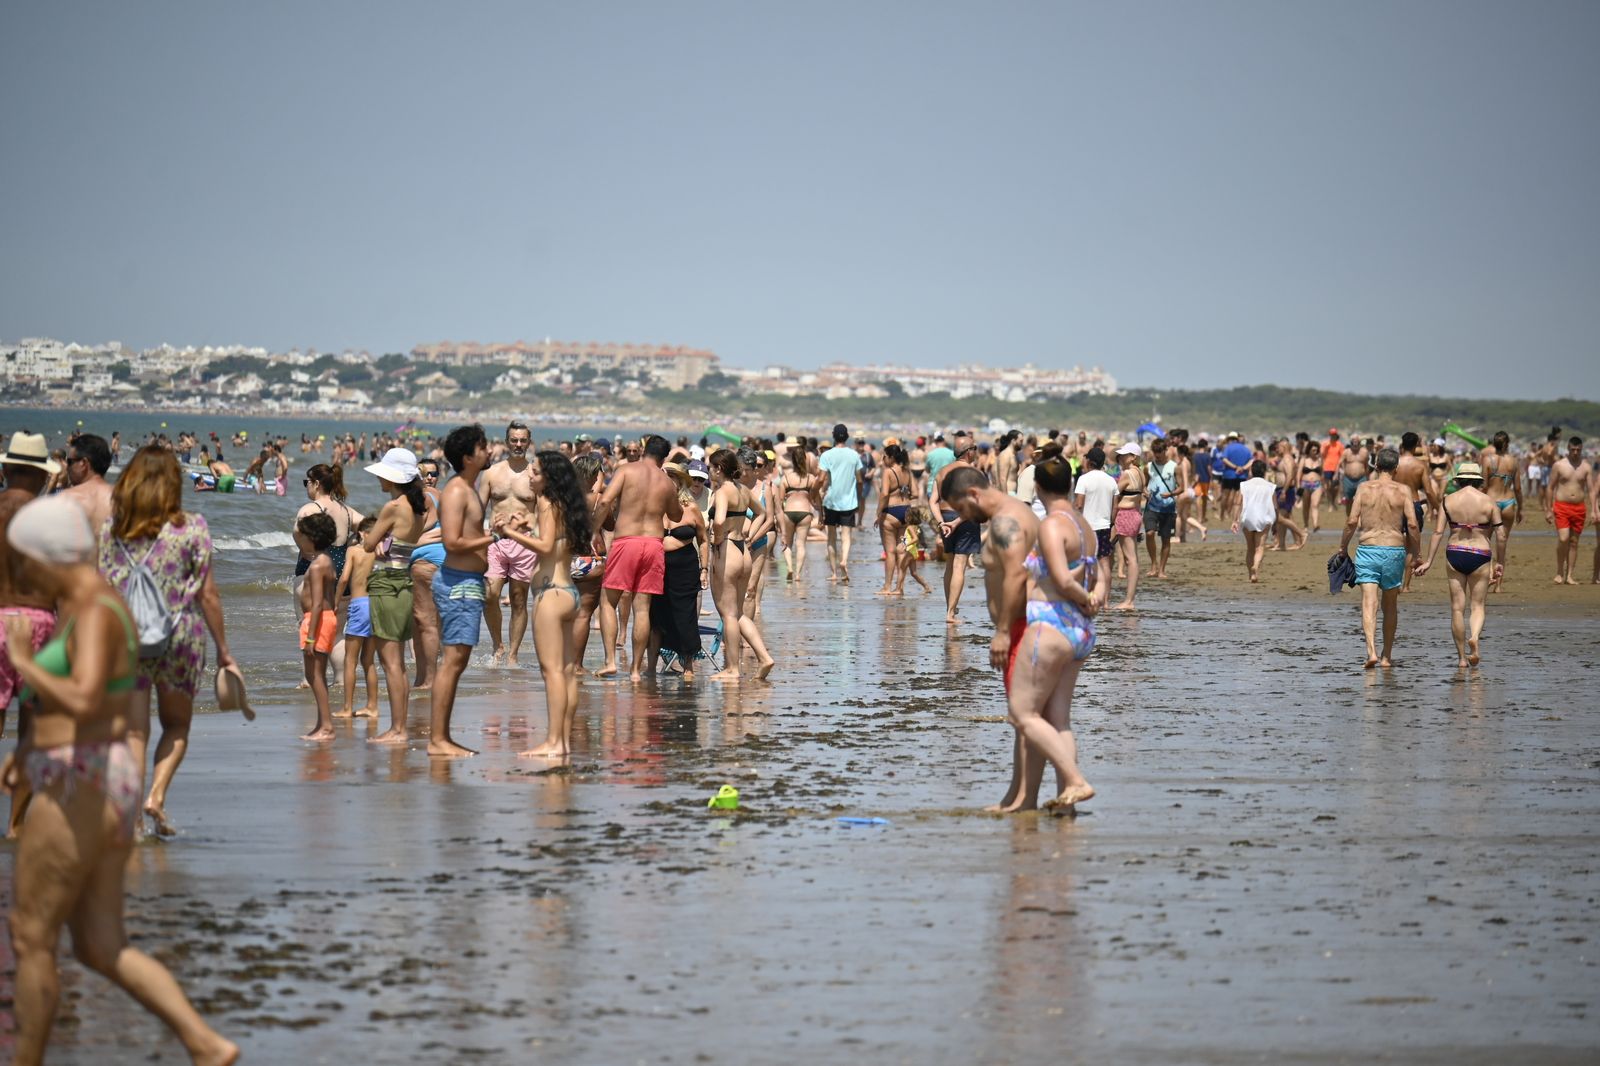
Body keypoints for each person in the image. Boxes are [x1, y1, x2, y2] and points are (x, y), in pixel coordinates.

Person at [4, 496, 238, 1066]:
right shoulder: (89, 605)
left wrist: (24, 661)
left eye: (21, 559)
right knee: (99, 944)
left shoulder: (96, 608)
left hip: (80, 781)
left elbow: (85, 697)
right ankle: (205, 1044)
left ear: (45, 555)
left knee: (31, 934)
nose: (20, 574)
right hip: (94, 775)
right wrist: (26, 751)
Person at [99, 446, 234, 837]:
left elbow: (99, 590)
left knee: (133, 733)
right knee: (176, 726)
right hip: (180, 637)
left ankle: (133, 819)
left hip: (127, 639)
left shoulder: (111, 530)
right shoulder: (191, 528)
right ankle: (156, 796)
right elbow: (208, 595)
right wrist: (224, 650)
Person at [942, 463, 1093, 813]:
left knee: (1025, 716)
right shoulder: (1016, 512)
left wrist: (1002, 632)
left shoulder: (1005, 522)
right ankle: (1024, 798)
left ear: (973, 494)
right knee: (1040, 718)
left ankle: (1057, 787)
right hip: (1038, 622)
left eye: (962, 507)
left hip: (1022, 625)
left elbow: (1014, 576)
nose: (964, 516)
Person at [491, 451, 591, 757]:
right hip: (569, 593)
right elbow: (554, 541)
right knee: (567, 672)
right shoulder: (565, 504)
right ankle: (563, 742)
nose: (529, 476)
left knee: (552, 673)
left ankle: (553, 742)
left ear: (548, 478)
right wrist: (527, 526)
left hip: (550, 595)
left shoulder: (546, 502)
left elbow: (546, 546)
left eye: (534, 472)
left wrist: (509, 532)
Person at [597, 434, 682, 683]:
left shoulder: (626, 470)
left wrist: (593, 530)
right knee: (642, 609)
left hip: (626, 540)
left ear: (644, 450)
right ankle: (635, 670)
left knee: (607, 602)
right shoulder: (666, 482)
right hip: (653, 544)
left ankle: (610, 661)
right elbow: (676, 516)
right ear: (663, 458)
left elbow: (605, 500)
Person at [431, 426, 492, 756]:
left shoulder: (469, 488)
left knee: (456, 662)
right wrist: (494, 537)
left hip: (467, 583)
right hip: (457, 584)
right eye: (483, 447)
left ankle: (442, 736)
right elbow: (452, 542)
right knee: (452, 662)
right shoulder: (456, 490)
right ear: (468, 457)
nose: (489, 451)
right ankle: (438, 739)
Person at [361, 448, 428, 744]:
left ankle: (397, 729)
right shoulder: (420, 507)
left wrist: (375, 541)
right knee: (398, 664)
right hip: (405, 582)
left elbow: (368, 544)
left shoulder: (393, 507)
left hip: (387, 583)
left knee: (390, 664)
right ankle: (399, 727)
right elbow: (402, 543)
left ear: (394, 478)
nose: (379, 479)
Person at [1414, 462, 1501, 668]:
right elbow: (1501, 534)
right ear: (1478, 480)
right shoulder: (1489, 501)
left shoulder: (1448, 500)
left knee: (1457, 609)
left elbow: (1438, 532)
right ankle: (1475, 638)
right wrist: (1499, 562)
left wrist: (1429, 561)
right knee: (1477, 605)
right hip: (1480, 553)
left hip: (1455, 553)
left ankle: (1462, 659)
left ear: (1459, 480)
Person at [1339, 448, 1419, 669]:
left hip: (1368, 548)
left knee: (1369, 602)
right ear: (1396, 468)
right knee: (1390, 604)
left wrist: (1343, 547)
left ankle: (1371, 652)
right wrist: (1417, 553)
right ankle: (1386, 657)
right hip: (1394, 550)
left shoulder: (1364, 488)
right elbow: (1413, 524)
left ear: (1375, 466)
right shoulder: (1403, 490)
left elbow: (1352, 521)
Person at [707, 450, 774, 682]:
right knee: (738, 613)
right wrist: (750, 534)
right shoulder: (743, 490)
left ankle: (732, 669)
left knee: (727, 614)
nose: (710, 471)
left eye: (711, 467)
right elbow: (762, 514)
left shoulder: (722, 491)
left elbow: (718, 520)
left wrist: (716, 540)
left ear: (719, 469)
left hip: (726, 550)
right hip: (743, 551)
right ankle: (764, 657)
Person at [479, 421, 538, 666]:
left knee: (518, 598)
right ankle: (498, 644)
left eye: (523, 440)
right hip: (496, 541)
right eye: (514, 440)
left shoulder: (535, 474)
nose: (518, 444)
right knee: (489, 594)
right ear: (506, 442)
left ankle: (512, 655)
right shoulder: (492, 473)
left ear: (529, 442)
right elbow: (478, 509)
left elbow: (544, 511)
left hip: (525, 543)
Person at [649, 463, 708, 678]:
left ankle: (688, 666)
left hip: (685, 567)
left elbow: (703, 539)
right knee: (656, 618)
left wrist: (704, 568)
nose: (666, 481)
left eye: (671, 477)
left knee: (685, 617)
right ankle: (650, 667)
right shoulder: (654, 506)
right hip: (657, 567)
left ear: (680, 482)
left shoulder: (690, 508)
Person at [293, 464, 362, 623]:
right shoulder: (347, 510)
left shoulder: (311, 508)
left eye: (306, 482)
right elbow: (370, 528)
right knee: (336, 633)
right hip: (341, 579)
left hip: (313, 574)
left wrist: (305, 549)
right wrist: (351, 543)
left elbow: (297, 530)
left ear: (316, 484)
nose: (306, 486)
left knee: (307, 627)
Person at [295, 512, 340, 741]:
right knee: (316, 675)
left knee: (315, 675)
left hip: (317, 620)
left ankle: (327, 726)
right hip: (325, 618)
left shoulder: (316, 566)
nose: (300, 540)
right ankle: (322, 724)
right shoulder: (327, 560)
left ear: (311, 538)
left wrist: (311, 636)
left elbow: (317, 602)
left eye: (302, 536)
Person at [930, 435, 983, 624]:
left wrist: (941, 523)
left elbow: (933, 501)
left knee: (950, 564)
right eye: (974, 448)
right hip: (964, 519)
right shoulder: (974, 473)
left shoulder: (942, 472)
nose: (976, 451)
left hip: (945, 517)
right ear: (968, 452)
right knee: (960, 565)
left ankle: (950, 608)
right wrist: (957, 522)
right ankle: (951, 614)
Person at [337, 516, 380, 719]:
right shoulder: (381, 553)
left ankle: (347, 707)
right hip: (377, 605)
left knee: (350, 660)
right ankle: (372, 706)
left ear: (362, 533)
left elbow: (344, 578)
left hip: (359, 605)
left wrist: (336, 600)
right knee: (368, 661)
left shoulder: (354, 551)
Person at [407, 457, 444, 689]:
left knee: (423, 621)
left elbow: (410, 534)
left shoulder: (422, 498)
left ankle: (427, 679)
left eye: (433, 474)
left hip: (426, 561)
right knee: (433, 621)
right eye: (425, 474)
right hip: (444, 560)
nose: (429, 478)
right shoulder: (444, 496)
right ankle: (428, 675)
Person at [818, 423, 864, 584]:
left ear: (833, 436)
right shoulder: (854, 455)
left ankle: (834, 573)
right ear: (847, 437)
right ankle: (844, 560)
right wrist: (858, 497)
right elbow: (859, 480)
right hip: (849, 502)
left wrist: (814, 492)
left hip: (831, 501)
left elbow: (821, 478)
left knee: (831, 537)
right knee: (846, 536)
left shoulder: (826, 455)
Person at [1477, 431, 1522, 593]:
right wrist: (1521, 508)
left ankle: (1490, 575)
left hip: (1492, 502)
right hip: (1509, 503)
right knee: (1502, 543)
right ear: (1507, 444)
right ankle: (1499, 586)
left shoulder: (1487, 460)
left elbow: (1484, 486)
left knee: (1485, 541)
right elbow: (1518, 488)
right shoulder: (1514, 461)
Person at [1546, 436, 1591, 585]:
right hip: (1562, 506)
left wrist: (1594, 510)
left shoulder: (1586, 467)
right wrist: (1548, 509)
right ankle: (1559, 571)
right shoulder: (1559, 465)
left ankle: (1569, 575)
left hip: (1579, 508)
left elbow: (1591, 490)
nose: (1575, 452)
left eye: (1578, 450)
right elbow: (1550, 487)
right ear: (1568, 449)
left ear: (1582, 449)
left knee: (1574, 542)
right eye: (1573, 449)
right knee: (1564, 538)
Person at [874, 443, 914, 595]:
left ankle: (887, 587)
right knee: (901, 550)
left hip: (890, 512)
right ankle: (899, 588)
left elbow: (884, 493)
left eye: (884, 456)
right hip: (906, 512)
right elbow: (912, 492)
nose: (883, 459)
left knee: (890, 552)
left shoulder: (888, 472)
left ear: (891, 457)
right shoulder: (907, 471)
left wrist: (878, 513)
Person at [1111, 441, 1144, 609]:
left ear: (1133, 457)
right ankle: (1129, 599)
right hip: (1136, 514)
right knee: (1132, 558)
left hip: (1125, 514)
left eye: (1124, 455)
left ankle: (1129, 601)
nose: (1121, 458)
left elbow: (1114, 493)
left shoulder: (1126, 474)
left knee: (1131, 559)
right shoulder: (1140, 472)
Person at [779, 440, 819, 583]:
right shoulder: (811, 479)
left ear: (793, 461)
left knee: (787, 543)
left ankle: (790, 568)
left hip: (789, 512)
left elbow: (780, 501)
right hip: (805, 512)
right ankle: (797, 574)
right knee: (801, 544)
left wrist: (778, 519)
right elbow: (816, 499)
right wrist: (822, 514)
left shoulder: (786, 479)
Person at [1232, 460, 1278, 582]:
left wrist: (1235, 520)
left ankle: (1250, 575)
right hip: (1264, 518)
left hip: (1248, 517)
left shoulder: (1244, 485)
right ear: (1264, 472)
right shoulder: (1270, 486)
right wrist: (1275, 524)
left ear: (1251, 471)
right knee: (1260, 547)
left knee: (1250, 548)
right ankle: (1255, 568)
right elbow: (1275, 507)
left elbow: (1237, 503)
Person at [61, 433, 114, 537]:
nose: (66, 466)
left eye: (69, 461)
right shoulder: (122, 498)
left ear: (83, 463)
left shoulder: (67, 498)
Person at [1142, 437, 1179, 578]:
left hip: (1168, 508)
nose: (1157, 455)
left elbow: (1182, 487)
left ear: (1165, 450)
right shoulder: (1148, 467)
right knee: (1149, 533)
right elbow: (1143, 485)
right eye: (1155, 452)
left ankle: (1162, 570)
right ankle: (1153, 564)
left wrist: (1171, 493)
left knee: (1166, 539)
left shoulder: (1174, 467)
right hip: (1151, 507)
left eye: (1159, 451)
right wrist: (1145, 492)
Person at [1072, 446, 1117, 561]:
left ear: (1088, 462)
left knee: (1087, 559)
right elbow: (1115, 507)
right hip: (1104, 526)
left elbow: (1079, 505)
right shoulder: (1111, 480)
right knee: (1104, 561)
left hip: (1088, 527)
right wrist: (1111, 523)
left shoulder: (1083, 479)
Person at [1340, 436, 1371, 520]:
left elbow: (1367, 465)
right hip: (1348, 479)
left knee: (1361, 500)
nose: (1355, 444)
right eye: (1353, 442)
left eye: (1357, 442)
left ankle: (1359, 520)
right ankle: (1349, 518)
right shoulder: (1346, 452)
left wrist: (1368, 478)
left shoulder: (1364, 452)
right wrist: (1343, 470)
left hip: (1361, 478)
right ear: (1351, 443)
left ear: (1359, 443)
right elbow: (1340, 462)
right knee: (1348, 500)